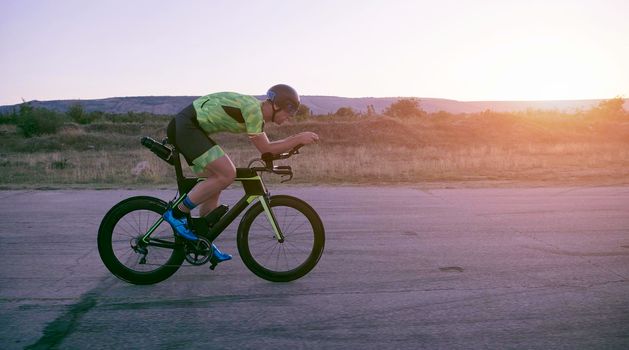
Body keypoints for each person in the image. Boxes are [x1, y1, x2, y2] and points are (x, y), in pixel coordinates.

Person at [164, 84, 319, 264]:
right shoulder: (254, 111)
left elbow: (268, 152)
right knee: (227, 174)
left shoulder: (255, 112)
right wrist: (298, 138)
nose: (287, 119)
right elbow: (266, 149)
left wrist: (292, 145)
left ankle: (202, 240)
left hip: (189, 127)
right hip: (187, 126)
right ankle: (176, 213)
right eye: (288, 113)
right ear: (277, 105)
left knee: (216, 183)